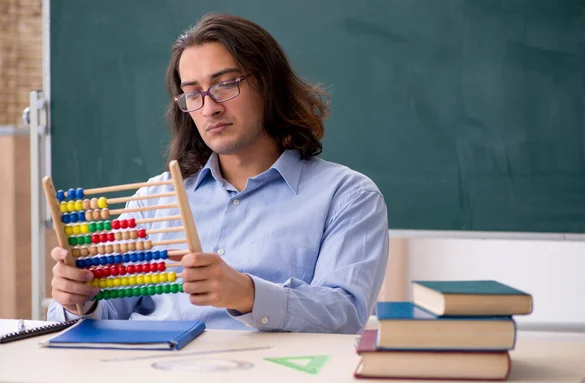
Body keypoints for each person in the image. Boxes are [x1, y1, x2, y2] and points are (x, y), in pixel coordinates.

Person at [47, 13, 389, 333]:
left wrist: (248, 294)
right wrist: (79, 299)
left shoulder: (347, 197)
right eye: (193, 94)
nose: (209, 108)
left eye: (225, 85)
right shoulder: (155, 200)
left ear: (268, 86)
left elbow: (345, 316)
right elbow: (105, 315)